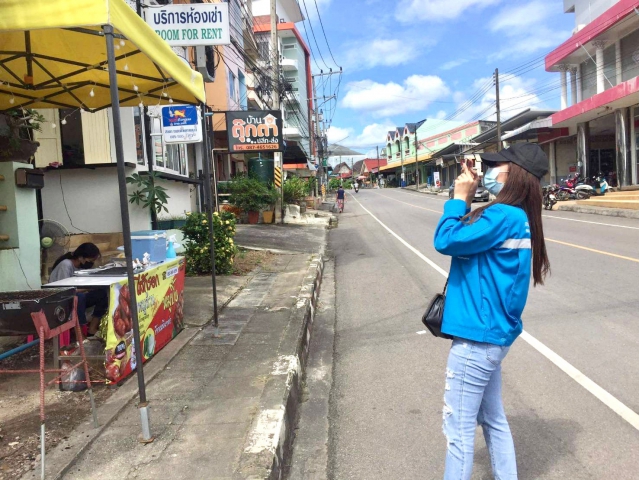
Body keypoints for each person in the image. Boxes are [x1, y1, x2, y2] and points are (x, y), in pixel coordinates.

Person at [433, 143, 550, 480]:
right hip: (492, 335)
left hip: (477, 339)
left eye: (498, 166)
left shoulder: (502, 216)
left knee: (457, 428)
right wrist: (468, 200)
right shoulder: (517, 216)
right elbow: (466, 239)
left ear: (514, 175)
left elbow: (445, 240)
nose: (490, 172)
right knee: (492, 419)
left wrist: (459, 198)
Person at [50, 243, 108, 337]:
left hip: (75, 296)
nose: (91, 263)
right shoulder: (66, 265)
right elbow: (65, 290)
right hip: (61, 299)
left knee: (101, 293)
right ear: (81, 257)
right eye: (90, 260)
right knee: (79, 298)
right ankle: (79, 335)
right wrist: (87, 288)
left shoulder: (81, 267)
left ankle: (92, 329)